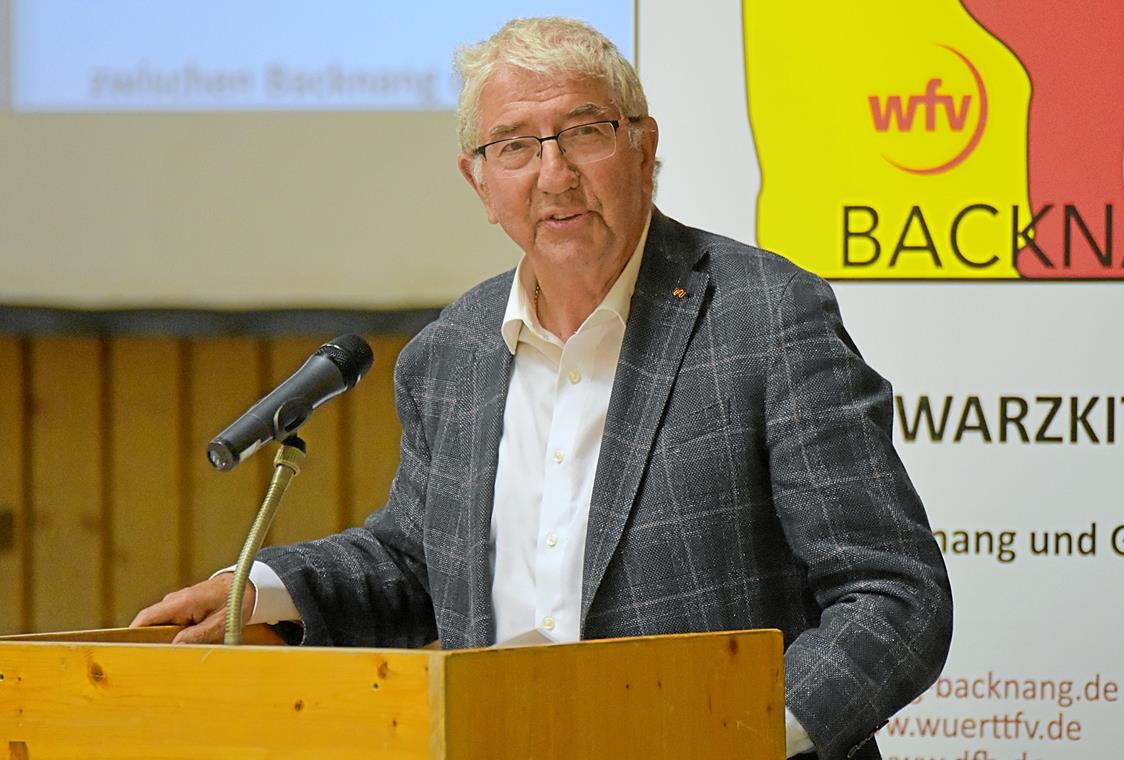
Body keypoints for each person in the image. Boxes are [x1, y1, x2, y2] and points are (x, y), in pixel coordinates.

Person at [133, 17, 952, 760]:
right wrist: (269, 590)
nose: (552, 174)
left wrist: (745, 735)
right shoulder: (450, 351)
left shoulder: (765, 316)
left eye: (583, 133)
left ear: (643, 147)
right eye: (514, 146)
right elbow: (419, 562)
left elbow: (894, 595)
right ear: (479, 183)